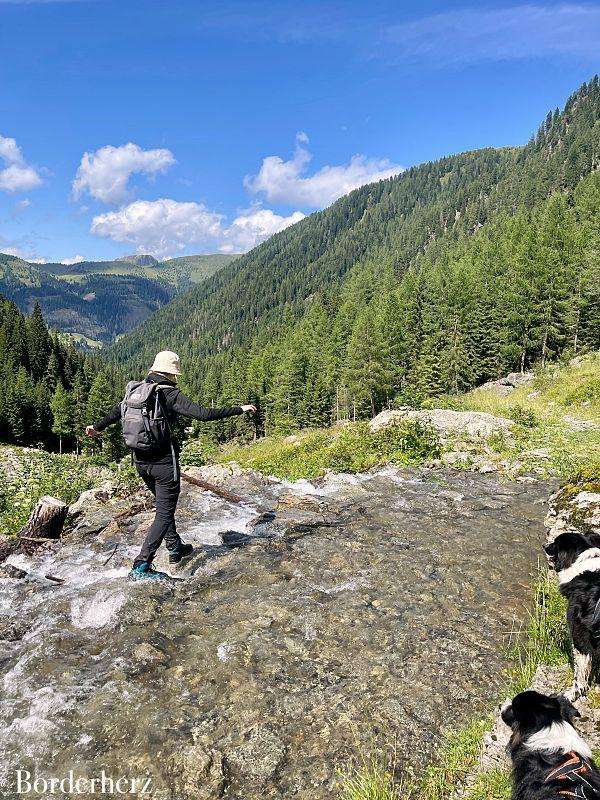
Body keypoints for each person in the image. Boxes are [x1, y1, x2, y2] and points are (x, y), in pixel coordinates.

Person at [86, 350, 256, 580]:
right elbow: (203, 415)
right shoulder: (168, 393)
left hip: (139, 460)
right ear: (172, 374)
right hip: (164, 462)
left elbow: (116, 413)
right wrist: (239, 409)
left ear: (153, 369)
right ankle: (141, 565)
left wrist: (96, 427)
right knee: (165, 512)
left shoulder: (136, 391)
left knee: (162, 504)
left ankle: (175, 547)